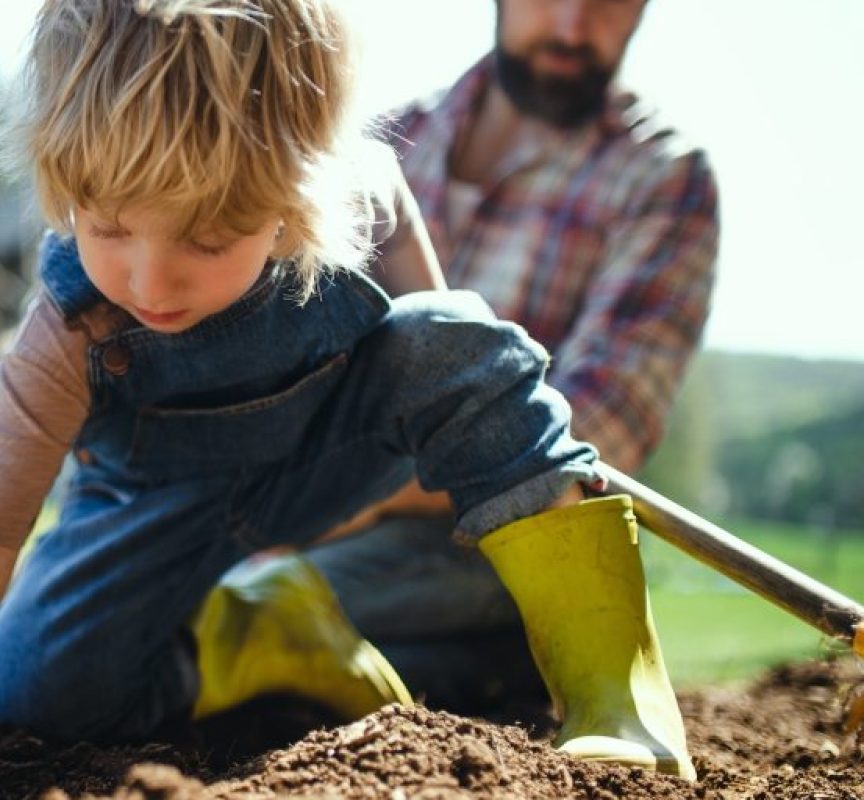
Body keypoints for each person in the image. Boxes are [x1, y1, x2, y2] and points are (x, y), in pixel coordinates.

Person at [0, 1, 694, 796]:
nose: (150, 279)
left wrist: (486, 435)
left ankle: (617, 707)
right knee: (27, 693)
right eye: (108, 225)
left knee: (457, 337)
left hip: (329, 457)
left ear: (298, 194)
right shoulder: (74, 330)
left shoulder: (364, 199)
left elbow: (432, 345)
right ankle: (258, 634)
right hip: (153, 505)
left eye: (209, 235)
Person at [294, 0, 720, 712]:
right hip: (311, 513)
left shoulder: (663, 178)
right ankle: (471, 675)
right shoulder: (381, 144)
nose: (571, 27)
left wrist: (344, 503)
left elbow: (598, 431)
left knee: (226, 616)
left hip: (506, 532)